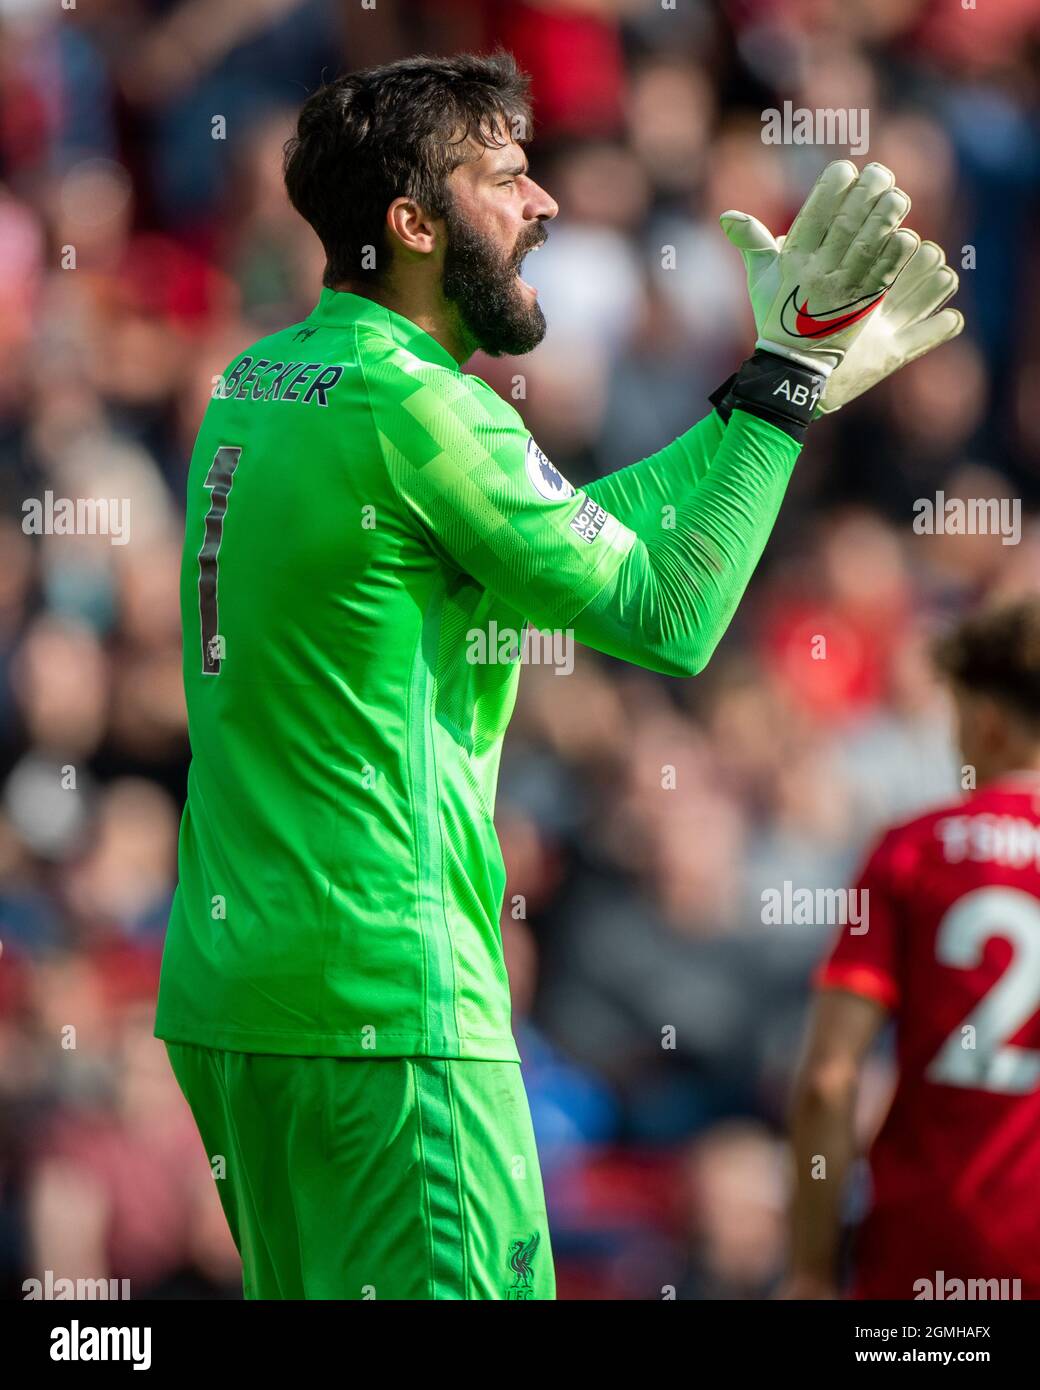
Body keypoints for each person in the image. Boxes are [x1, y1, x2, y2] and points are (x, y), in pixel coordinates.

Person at [152, 49, 951, 1299]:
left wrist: (764, 395)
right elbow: (669, 611)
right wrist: (790, 383)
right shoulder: (424, 412)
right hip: (391, 999)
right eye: (507, 179)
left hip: (236, 998)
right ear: (412, 225)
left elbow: (565, 534)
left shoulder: (260, 383)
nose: (546, 207)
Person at [787, 597, 1040, 1300]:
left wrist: (809, 1268)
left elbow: (827, 1082)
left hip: (926, 1252)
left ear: (987, 724)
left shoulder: (911, 852)